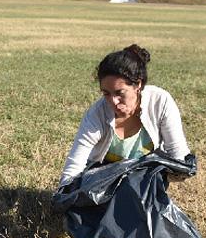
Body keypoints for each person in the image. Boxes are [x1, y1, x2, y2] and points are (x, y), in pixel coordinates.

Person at [56, 44, 192, 190]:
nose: (113, 101)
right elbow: (75, 163)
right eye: (106, 93)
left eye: (120, 93)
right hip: (104, 185)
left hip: (145, 183)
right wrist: (65, 193)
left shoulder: (160, 101)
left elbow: (178, 155)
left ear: (138, 84)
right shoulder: (97, 114)